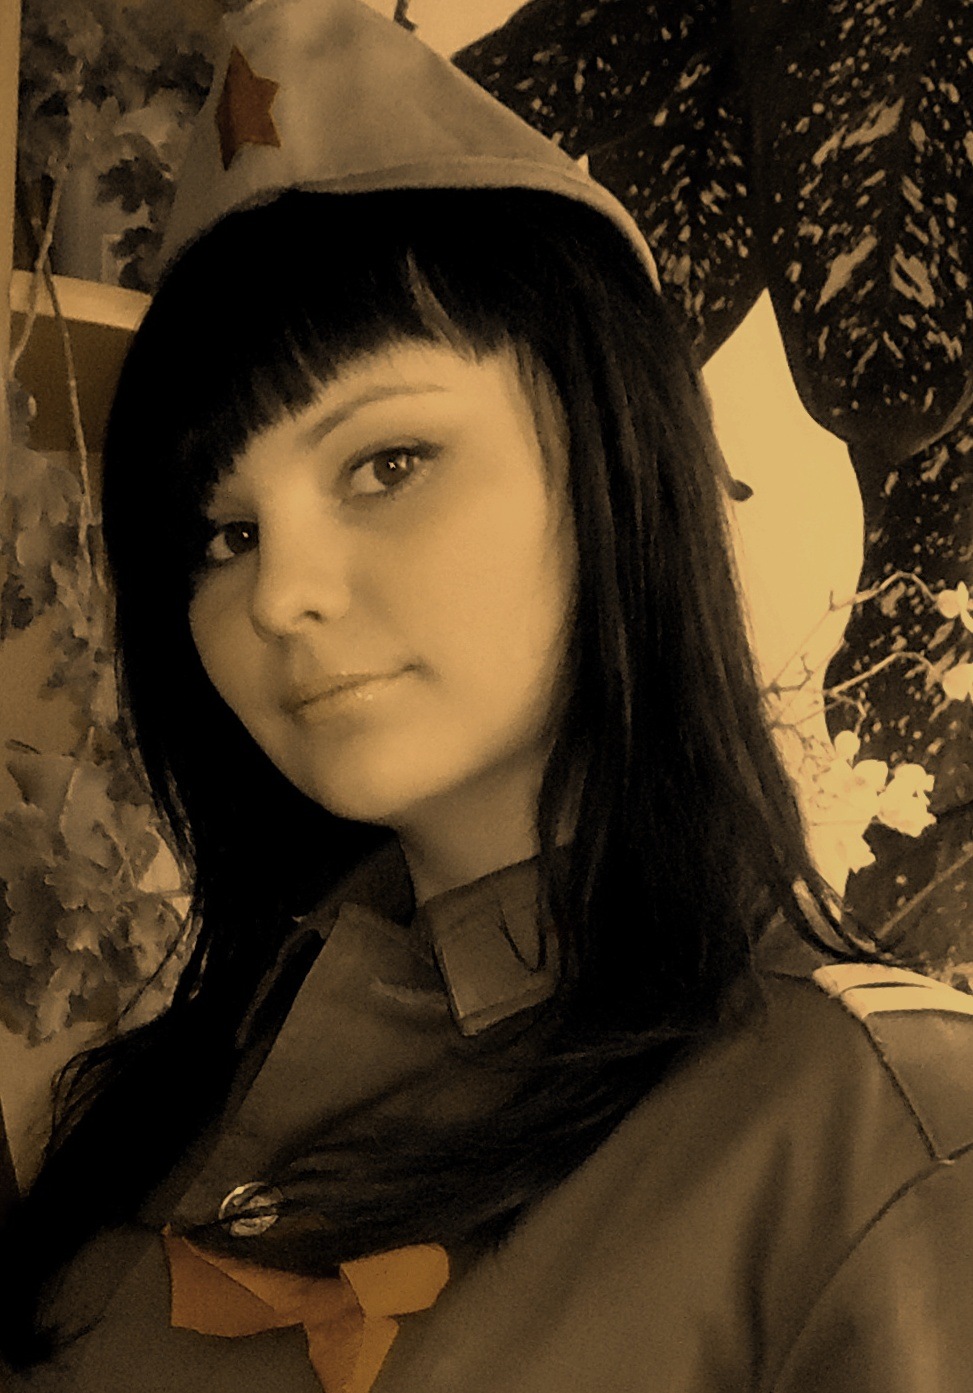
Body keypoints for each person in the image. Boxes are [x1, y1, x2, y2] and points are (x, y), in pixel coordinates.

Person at [3, 1, 973, 1389]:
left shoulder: (879, 1143)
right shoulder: (138, 1111)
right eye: (223, 532)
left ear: (615, 460)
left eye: (385, 463)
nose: (278, 594)